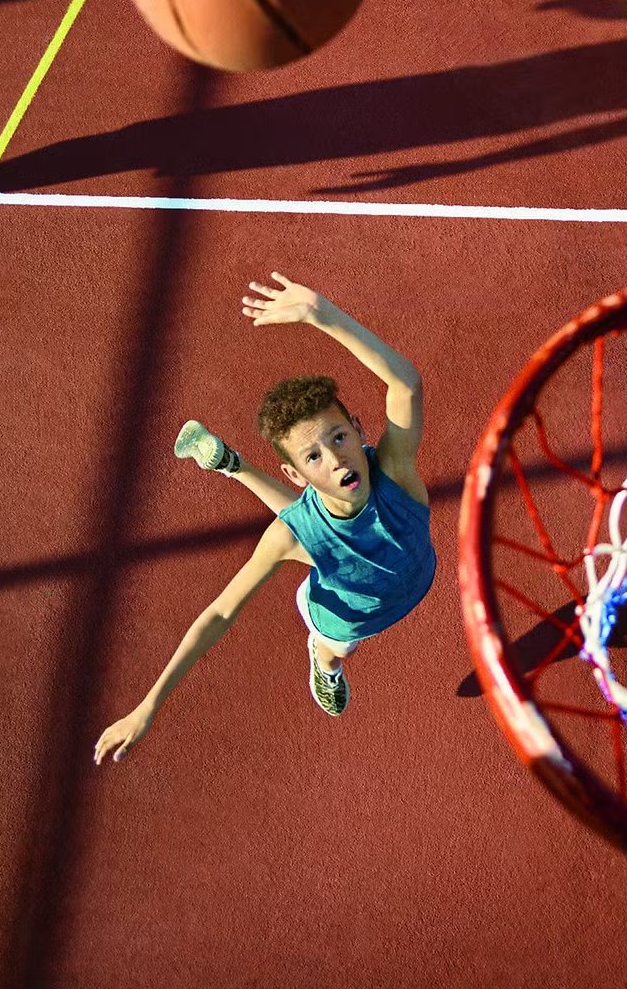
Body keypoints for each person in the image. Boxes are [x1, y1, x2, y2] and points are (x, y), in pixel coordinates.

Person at [93, 272, 433, 763]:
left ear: (358, 430)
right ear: (293, 474)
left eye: (338, 437)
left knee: (308, 525)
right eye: (312, 458)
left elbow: (407, 384)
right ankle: (326, 666)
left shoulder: (395, 473)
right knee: (313, 572)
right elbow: (219, 614)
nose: (336, 459)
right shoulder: (288, 537)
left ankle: (228, 462)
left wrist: (325, 316)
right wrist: (148, 706)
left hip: (383, 568)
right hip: (342, 617)